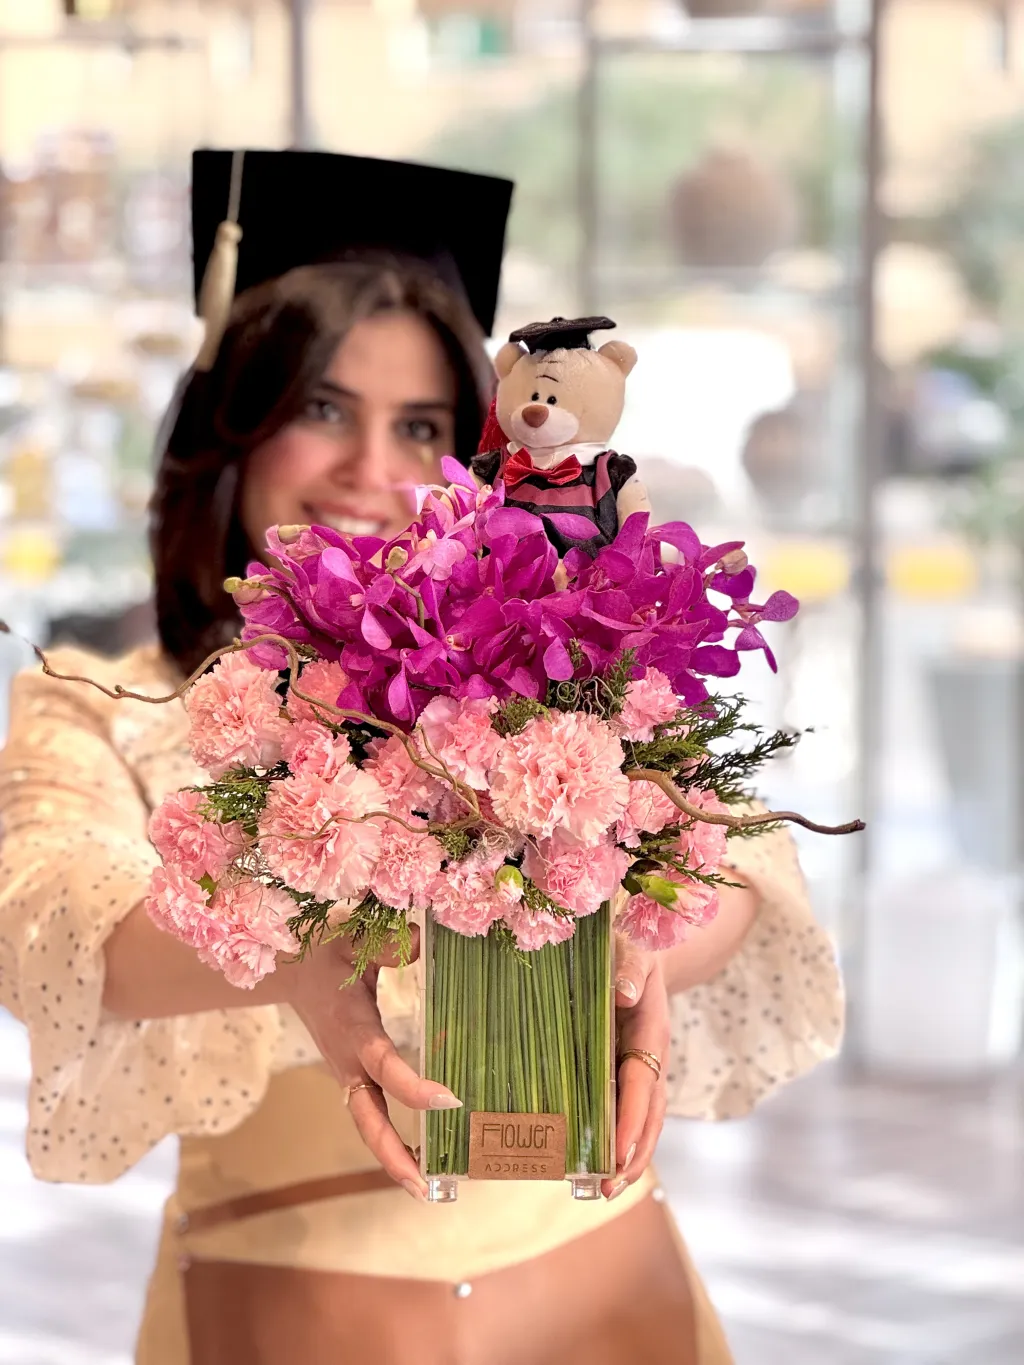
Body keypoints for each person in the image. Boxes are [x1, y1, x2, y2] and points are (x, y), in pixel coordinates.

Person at [0, 150, 843, 1365]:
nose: (372, 471)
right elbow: (49, 923)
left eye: (422, 428)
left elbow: (745, 861)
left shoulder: (549, 678)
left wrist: (635, 956)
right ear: (232, 428)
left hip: (601, 1297)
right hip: (285, 1317)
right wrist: (302, 958)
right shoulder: (111, 706)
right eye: (321, 409)